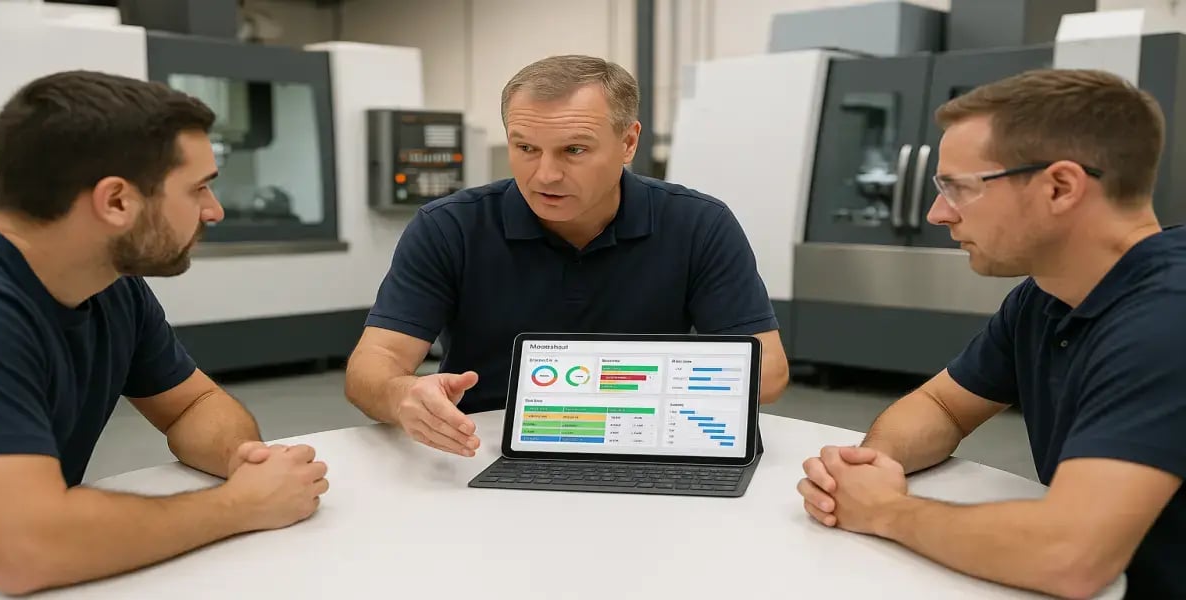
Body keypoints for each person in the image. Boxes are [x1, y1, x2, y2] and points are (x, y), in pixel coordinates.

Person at [795, 68, 1184, 599]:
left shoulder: (1167, 319)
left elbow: (1070, 556)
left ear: (1060, 187)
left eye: (958, 188)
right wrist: (873, 466)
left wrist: (887, 510)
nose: (936, 213)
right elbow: (944, 406)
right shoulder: (1048, 294)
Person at [0, 70, 330, 596]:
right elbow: (26, 550)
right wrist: (238, 505)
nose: (213, 210)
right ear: (117, 201)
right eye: (198, 189)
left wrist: (241, 458)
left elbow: (191, 406)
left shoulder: (109, 286)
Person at [345, 54, 790, 457]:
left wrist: (606, 387)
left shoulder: (698, 224)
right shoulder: (449, 227)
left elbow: (766, 371)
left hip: (644, 443)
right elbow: (372, 366)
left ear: (629, 142)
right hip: (481, 451)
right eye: (525, 148)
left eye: (574, 150)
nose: (546, 175)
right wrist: (402, 394)